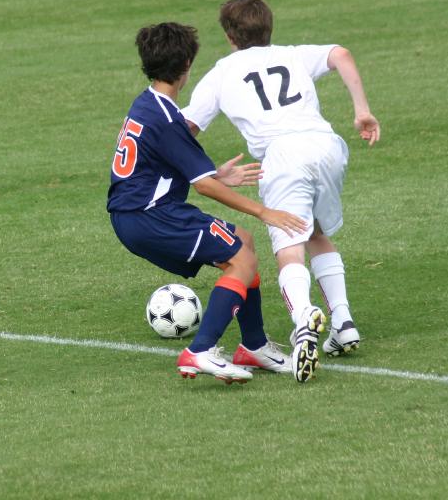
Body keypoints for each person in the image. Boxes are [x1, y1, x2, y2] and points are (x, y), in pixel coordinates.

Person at [182, 0, 380, 383]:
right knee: (316, 232)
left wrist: (204, 172)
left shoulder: (223, 72)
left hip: (283, 156)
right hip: (327, 146)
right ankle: (342, 324)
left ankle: (304, 318)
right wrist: (361, 110)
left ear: (228, 35)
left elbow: (186, 128)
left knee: (290, 241)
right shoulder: (292, 55)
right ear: (269, 27)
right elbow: (341, 53)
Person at [107, 22, 308, 384]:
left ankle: (254, 346)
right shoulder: (168, 119)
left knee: (243, 240)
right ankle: (201, 350)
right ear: (186, 65)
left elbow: (159, 166)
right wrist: (265, 211)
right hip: (153, 216)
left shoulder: (147, 104)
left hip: (137, 214)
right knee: (242, 259)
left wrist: (216, 173)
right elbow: (204, 188)